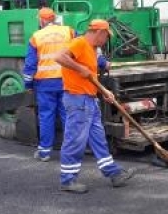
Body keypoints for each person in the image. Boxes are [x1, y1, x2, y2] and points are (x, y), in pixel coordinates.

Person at [53, 19, 134, 194]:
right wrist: (79, 68)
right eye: (106, 37)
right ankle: (68, 180)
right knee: (75, 140)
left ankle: (114, 173)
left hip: (89, 100)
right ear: (100, 33)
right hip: (77, 100)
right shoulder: (79, 43)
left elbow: (91, 77)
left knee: (99, 139)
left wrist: (105, 91)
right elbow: (59, 57)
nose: (106, 41)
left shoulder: (92, 50)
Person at [23, 8, 75, 162]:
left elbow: (30, 65)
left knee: (46, 117)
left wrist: (28, 85)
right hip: (66, 82)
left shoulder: (36, 37)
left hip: (45, 85)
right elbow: (83, 47)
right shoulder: (69, 32)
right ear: (54, 18)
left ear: (41, 20)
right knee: (68, 116)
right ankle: (71, 151)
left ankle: (44, 152)